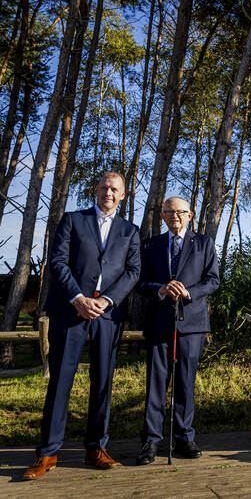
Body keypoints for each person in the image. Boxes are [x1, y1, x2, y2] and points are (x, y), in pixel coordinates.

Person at [23, 172, 140, 480]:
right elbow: (58, 261)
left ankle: (96, 448)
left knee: (103, 383)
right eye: (104, 187)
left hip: (108, 316)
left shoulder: (130, 231)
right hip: (70, 311)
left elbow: (132, 271)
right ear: (95, 189)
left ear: (124, 195)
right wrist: (77, 298)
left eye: (115, 189)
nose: (109, 193)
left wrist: (108, 301)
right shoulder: (73, 220)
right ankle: (47, 453)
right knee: (60, 380)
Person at [135, 197, 219, 465]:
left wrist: (189, 293)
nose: (175, 216)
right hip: (159, 322)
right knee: (156, 383)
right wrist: (158, 289)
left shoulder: (204, 244)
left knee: (185, 381)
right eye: (169, 212)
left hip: (192, 323)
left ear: (190, 215)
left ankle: (184, 436)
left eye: (180, 212)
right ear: (162, 216)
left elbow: (213, 280)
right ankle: (151, 439)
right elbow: (139, 281)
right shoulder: (150, 245)